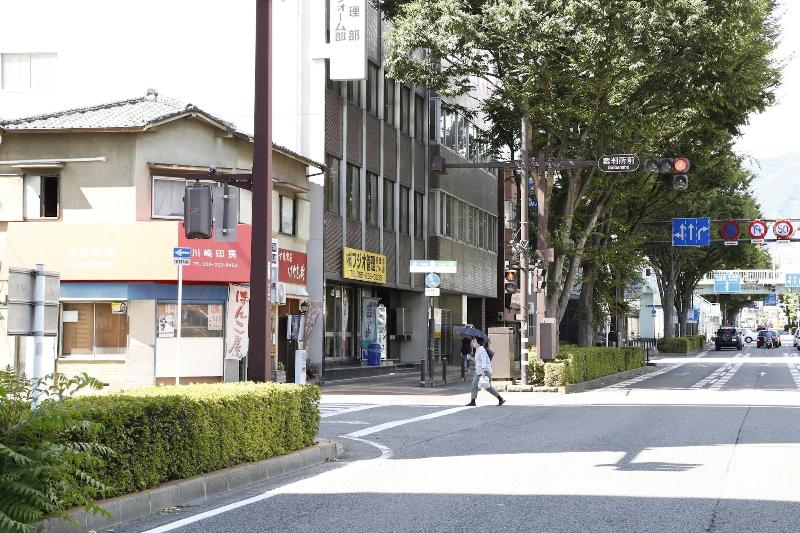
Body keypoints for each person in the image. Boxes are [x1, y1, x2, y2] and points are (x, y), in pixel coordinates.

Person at [466, 337, 505, 407]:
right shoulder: (478, 350)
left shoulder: (482, 350)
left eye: (474, 341)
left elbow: (484, 361)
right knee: (474, 385)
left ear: (478, 342)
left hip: (484, 371)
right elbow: (477, 361)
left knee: (488, 387)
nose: (473, 343)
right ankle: (473, 401)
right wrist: (470, 358)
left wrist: (483, 370)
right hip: (478, 371)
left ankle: (500, 399)